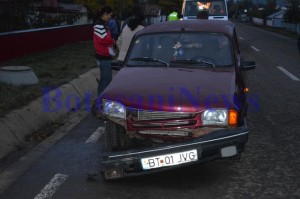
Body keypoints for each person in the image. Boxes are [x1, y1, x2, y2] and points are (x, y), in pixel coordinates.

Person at [93, 6, 115, 96]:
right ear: (105, 14)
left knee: (105, 79)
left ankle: (101, 98)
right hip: (103, 56)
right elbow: (103, 39)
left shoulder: (102, 24)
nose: (110, 17)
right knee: (106, 79)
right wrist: (113, 41)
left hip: (104, 55)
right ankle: (101, 99)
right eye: (109, 15)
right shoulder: (99, 25)